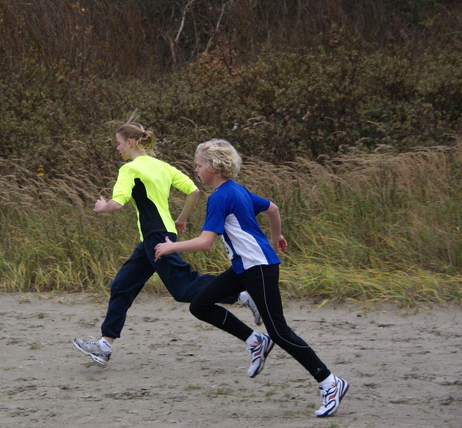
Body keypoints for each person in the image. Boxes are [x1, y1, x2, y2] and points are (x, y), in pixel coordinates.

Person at [154, 138, 349, 418]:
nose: (196, 170)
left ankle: (330, 383)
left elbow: (206, 242)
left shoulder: (220, 196)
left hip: (258, 268)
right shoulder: (237, 190)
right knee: (200, 305)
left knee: (280, 331)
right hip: (243, 268)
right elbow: (273, 208)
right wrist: (276, 235)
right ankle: (254, 341)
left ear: (213, 166)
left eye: (198, 165)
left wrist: (172, 246)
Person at [72, 121, 260, 367]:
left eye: (118, 143)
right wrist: (181, 220)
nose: (117, 149)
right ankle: (105, 345)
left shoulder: (130, 169)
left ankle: (242, 294)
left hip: (155, 236)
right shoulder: (162, 166)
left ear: (129, 143)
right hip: (158, 236)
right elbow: (193, 191)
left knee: (183, 288)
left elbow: (117, 203)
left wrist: (101, 207)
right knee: (122, 284)